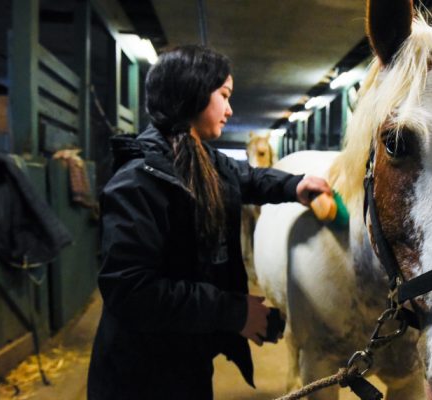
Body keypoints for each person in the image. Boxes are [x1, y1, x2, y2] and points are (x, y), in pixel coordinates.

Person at [87, 45, 331, 399]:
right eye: (224, 95)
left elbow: (247, 178)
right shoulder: (138, 181)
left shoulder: (204, 160)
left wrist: (295, 185)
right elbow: (131, 290)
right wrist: (233, 312)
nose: (230, 109)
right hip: (139, 375)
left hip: (187, 356)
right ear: (193, 93)